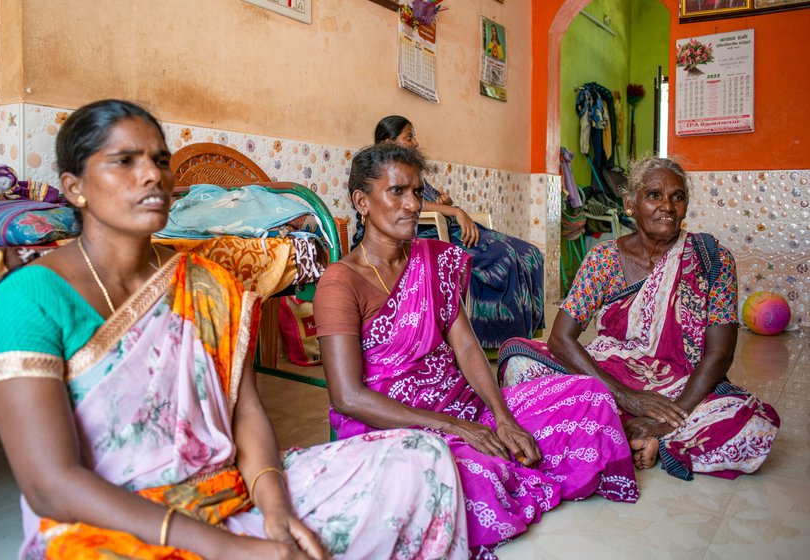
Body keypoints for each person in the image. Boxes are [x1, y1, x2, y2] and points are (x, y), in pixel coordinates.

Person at [0, 100, 468, 560]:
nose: (153, 175)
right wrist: (230, 549)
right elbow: (50, 485)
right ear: (75, 186)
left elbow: (246, 414)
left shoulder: (210, 283)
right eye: (124, 161)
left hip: (229, 491)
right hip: (113, 524)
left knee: (420, 459)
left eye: (161, 160)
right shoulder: (26, 301)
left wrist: (276, 510)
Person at [314, 143, 638, 559]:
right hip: (394, 425)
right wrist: (455, 429)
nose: (413, 204)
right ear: (362, 201)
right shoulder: (341, 283)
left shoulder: (432, 260)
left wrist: (501, 418)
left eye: (417, 191)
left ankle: (505, 451)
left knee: (588, 396)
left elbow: (466, 346)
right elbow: (348, 396)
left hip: (464, 407)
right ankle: (492, 464)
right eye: (398, 192)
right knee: (462, 478)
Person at [498, 156, 780, 480]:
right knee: (520, 363)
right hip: (609, 374)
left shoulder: (712, 260)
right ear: (630, 203)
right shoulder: (603, 259)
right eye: (654, 195)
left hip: (677, 388)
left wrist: (663, 421)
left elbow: (719, 355)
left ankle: (634, 433)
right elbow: (560, 338)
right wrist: (626, 396)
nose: (667, 207)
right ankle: (632, 430)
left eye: (677, 196)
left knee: (753, 428)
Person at [373, 115, 545, 349]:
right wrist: (453, 210)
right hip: (427, 233)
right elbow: (408, 204)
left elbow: (426, 199)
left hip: (448, 227)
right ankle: (502, 340)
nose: (415, 143)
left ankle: (529, 333)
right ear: (387, 143)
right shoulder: (384, 173)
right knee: (505, 256)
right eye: (409, 137)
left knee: (531, 253)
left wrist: (447, 204)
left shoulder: (410, 171)